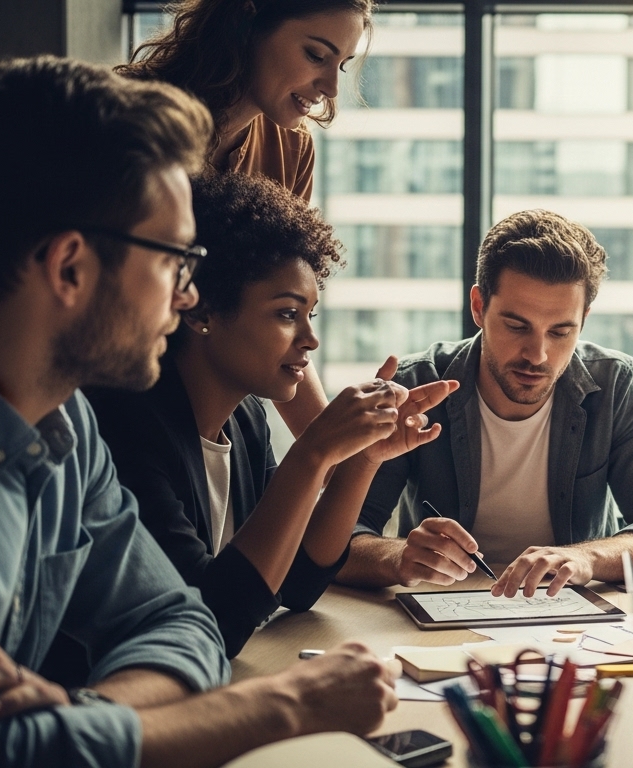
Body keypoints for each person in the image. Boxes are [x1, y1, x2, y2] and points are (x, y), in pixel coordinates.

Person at [0, 56, 398, 768]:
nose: (189, 295)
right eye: (173, 261)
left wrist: (76, 719)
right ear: (70, 267)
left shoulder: (69, 435)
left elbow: (179, 617)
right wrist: (286, 704)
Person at [84, 172, 457, 657]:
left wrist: (361, 461)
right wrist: (313, 450)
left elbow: (296, 582)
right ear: (202, 313)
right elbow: (214, 622)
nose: (310, 339)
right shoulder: (130, 425)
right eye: (287, 314)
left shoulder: (246, 421)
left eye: (311, 315)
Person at [338, 209, 633, 597]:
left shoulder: (614, 386)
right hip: (439, 612)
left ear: (584, 319)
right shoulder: (416, 386)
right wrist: (397, 558)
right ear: (479, 307)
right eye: (517, 326)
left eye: (561, 331)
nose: (539, 355)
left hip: (572, 625)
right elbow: (338, 540)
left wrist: (586, 559)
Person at [119, 0, 375, 440]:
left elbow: (280, 312)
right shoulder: (130, 122)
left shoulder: (291, 149)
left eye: (342, 65)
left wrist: (338, 448)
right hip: (119, 392)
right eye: (316, 55)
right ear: (246, 24)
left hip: (215, 409)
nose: (331, 87)